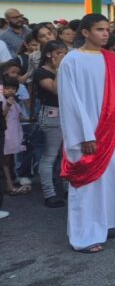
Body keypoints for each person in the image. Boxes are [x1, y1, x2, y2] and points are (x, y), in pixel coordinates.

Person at [58, 14, 115, 253]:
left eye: (107, 29)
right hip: (88, 133)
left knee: (112, 179)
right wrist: (85, 136)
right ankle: (84, 235)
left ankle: (110, 223)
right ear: (85, 32)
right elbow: (70, 101)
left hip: (109, 130)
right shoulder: (71, 60)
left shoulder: (109, 58)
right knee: (88, 184)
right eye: (100, 29)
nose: (105, 34)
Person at [32, 40, 66, 208]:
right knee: (50, 156)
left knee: (66, 154)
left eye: (64, 53)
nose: (63, 56)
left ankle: (65, 187)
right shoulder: (40, 72)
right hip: (52, 115)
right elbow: (55, 89)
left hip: (67, 115)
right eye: (59, 53)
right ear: (48, 55)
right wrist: (59, 68)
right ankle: (49, 193)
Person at [2, 78, 25, 198]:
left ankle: (9, 183)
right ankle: (10, 186)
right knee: (5, 161)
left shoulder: (14, 101)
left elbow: (19, 116)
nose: (10, 91)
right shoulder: (4, 100)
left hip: (13, 134)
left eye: (13, 89)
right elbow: (3, 116)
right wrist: (8, 104)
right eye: (8, 88)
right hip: (6, 134)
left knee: (8, 160)